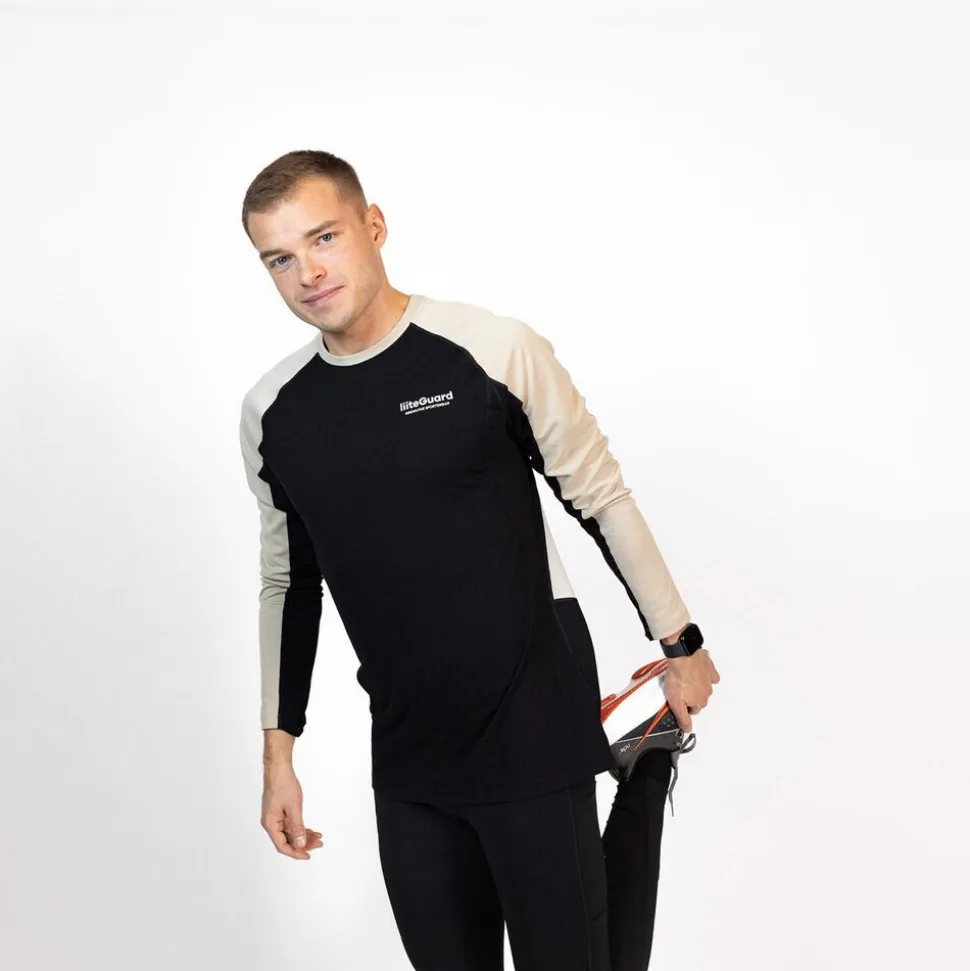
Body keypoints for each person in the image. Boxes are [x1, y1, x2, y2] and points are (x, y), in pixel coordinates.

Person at [238, 149, 720, 971]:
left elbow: (600, 496)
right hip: (410, 754)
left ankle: (643, 767)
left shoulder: (491, 349)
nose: (307, 272)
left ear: (373, 226)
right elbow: (290, 583)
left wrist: (681, 642)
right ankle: (641, 760)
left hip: (533, 724)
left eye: (324, 237)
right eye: (279, 258)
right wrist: (278, 756)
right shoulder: (274, 413)